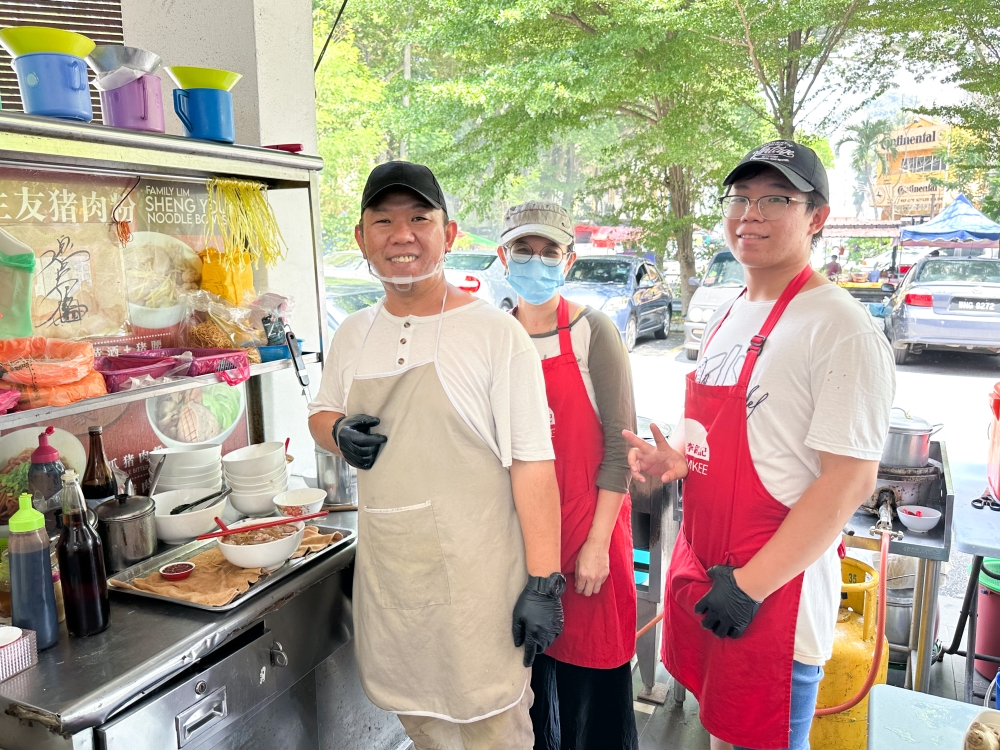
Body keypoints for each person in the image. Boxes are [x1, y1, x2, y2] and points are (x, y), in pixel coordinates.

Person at [625, 140, 895, 750]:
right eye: (741, 198)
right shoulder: (729, 310)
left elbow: (848, 481)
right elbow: (745, 436)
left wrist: (751, 586)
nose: (752, 213)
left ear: (817, 217)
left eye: (776, 198)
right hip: (713, 576)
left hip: (774, 602)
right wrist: (682, 461)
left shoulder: (840, 327)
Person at [308, 162, 566, 750]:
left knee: (493, 732)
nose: (403, 236)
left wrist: (545, 582)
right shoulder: (353, 332)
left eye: (419, 219)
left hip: (480, 591)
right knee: (423, 731)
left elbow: (533, 464)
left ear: (448, 235)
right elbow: (320, 414)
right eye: (384, 221)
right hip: (395, 585)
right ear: (362, 238)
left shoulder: (495, 336)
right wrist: (338, 431)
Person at [497, 201, 639, 750]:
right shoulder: (494, 337)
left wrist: (599, 544)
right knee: (530, 693)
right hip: (522, 543)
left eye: (548, 251)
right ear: (502, 256)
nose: (536, 262)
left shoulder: (592, 332)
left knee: (589, 691)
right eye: (523, 250)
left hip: (587, 538)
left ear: (569, 259)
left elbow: (619, 446)